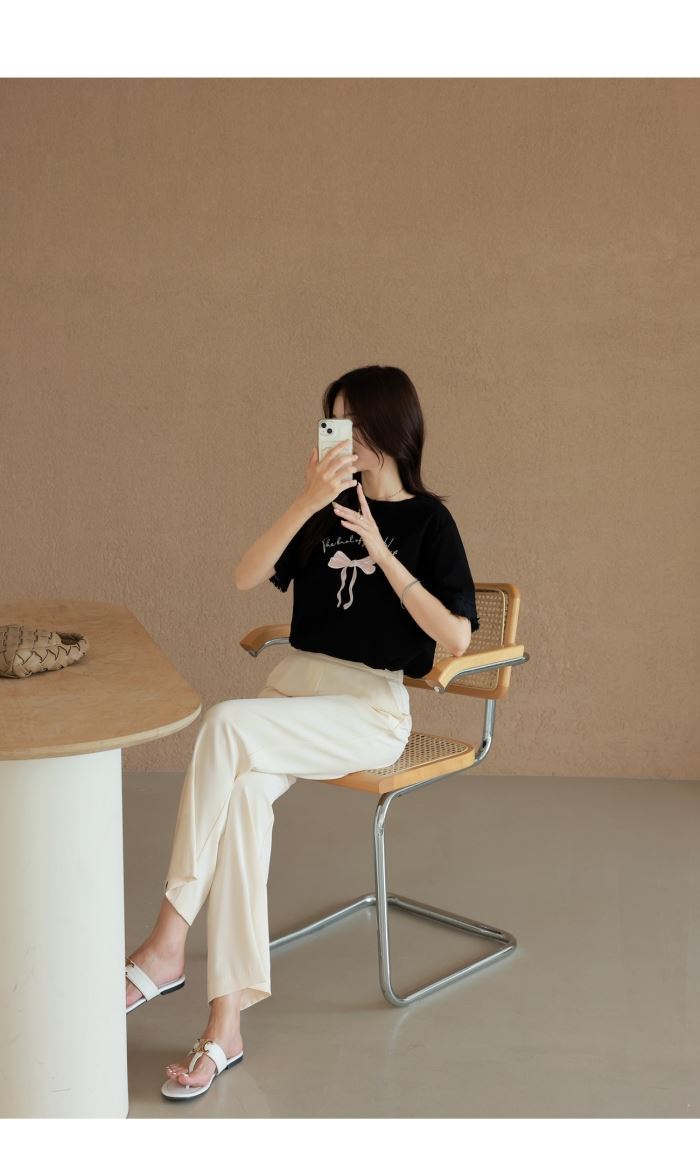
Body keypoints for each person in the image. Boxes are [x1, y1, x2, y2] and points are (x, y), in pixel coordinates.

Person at [124, 364, 481, 1099]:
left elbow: (455, 637)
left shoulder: (429, 523)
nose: (341, 436)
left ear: (388, 429)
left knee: (224, 722)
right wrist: (307, 500)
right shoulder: (324, 509)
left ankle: (166, 943)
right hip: (294, 698)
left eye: (352, 422)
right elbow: (244, 575)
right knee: (243, 799)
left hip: (367, 713)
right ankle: (225, 1026)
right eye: (334, 422)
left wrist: (382, 551)